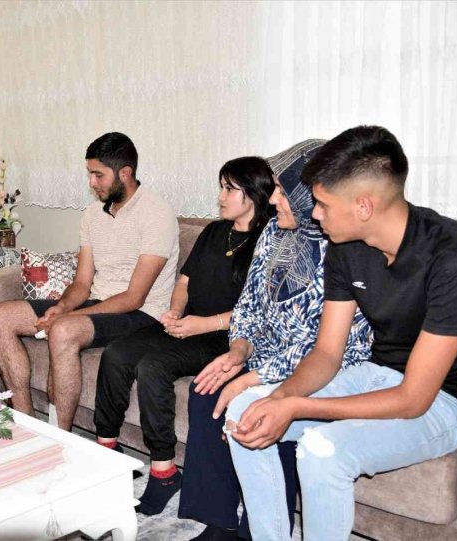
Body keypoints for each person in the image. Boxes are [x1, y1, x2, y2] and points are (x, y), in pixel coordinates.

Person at [224, 126, 457, 541]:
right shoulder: (345, 246)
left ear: (364, 206)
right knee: (244, 411)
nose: (315, 214)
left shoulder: (456, 259)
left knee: (322, 451)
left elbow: (413, 398)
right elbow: (327, 354)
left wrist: (294, 406)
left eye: (323, 204)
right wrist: (278, 399)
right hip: (376, 372)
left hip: (446, 402)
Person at [180, 140, 372, 541]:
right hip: (264, 353)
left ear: (310, 195)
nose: (271, 199)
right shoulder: (273, 232)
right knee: (204, 392)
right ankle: (219, 521)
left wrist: (249, 380)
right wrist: (238, 351)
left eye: (282, 191)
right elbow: (248, 303)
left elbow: (323, 347)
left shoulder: (343, 248)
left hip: (322, 369)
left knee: (260, 410)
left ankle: (258, 529)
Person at [92, 156, 275, 516]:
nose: (221, 196)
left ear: (253, 193)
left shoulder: (268, 242)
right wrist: (176, 312)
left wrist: (200, 325)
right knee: (117, 353)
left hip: (225, 338)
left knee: (153, 366)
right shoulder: (213, 232)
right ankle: (106, 448)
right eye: (221, 187)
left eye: (229, 189)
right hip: (188, 325)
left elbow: (260, 310)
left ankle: (164, 472)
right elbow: (184, 282)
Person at [0, 132, 179, 431]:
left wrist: (67, 318)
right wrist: (63, 306)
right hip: (99, 302)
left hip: (142, 314)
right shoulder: (92, 215)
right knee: (0, 317)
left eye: (98, 175)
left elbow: (134, 297)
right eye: (90, 174)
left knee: (63, 329)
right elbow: (82, 282)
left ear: (125, 173)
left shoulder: (157, 214)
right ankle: (26, 424)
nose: (92, 182)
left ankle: (61, 437)